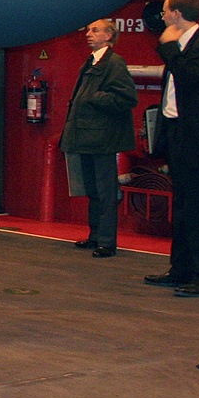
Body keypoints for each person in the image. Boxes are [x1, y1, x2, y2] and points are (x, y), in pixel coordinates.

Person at [145, 0, 199, 297]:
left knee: (198, 208)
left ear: (177, 14)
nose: (162, 17)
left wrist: (168, 46)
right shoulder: (183, 47)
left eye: (165, 12)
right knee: (182, 206)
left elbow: (189, 77)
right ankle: (180, 270)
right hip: (179, 134)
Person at [60, 20, 137, 258]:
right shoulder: (92, 61)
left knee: (105, 191)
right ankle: (95, 236)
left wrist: (94, 97)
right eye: (88, 30)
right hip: (87, 136)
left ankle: (107, 241)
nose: (88, 34)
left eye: (95, 30)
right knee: (93, 190)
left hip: (102, 138)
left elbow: (126, 98)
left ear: (109, 35)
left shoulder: (114, 63)